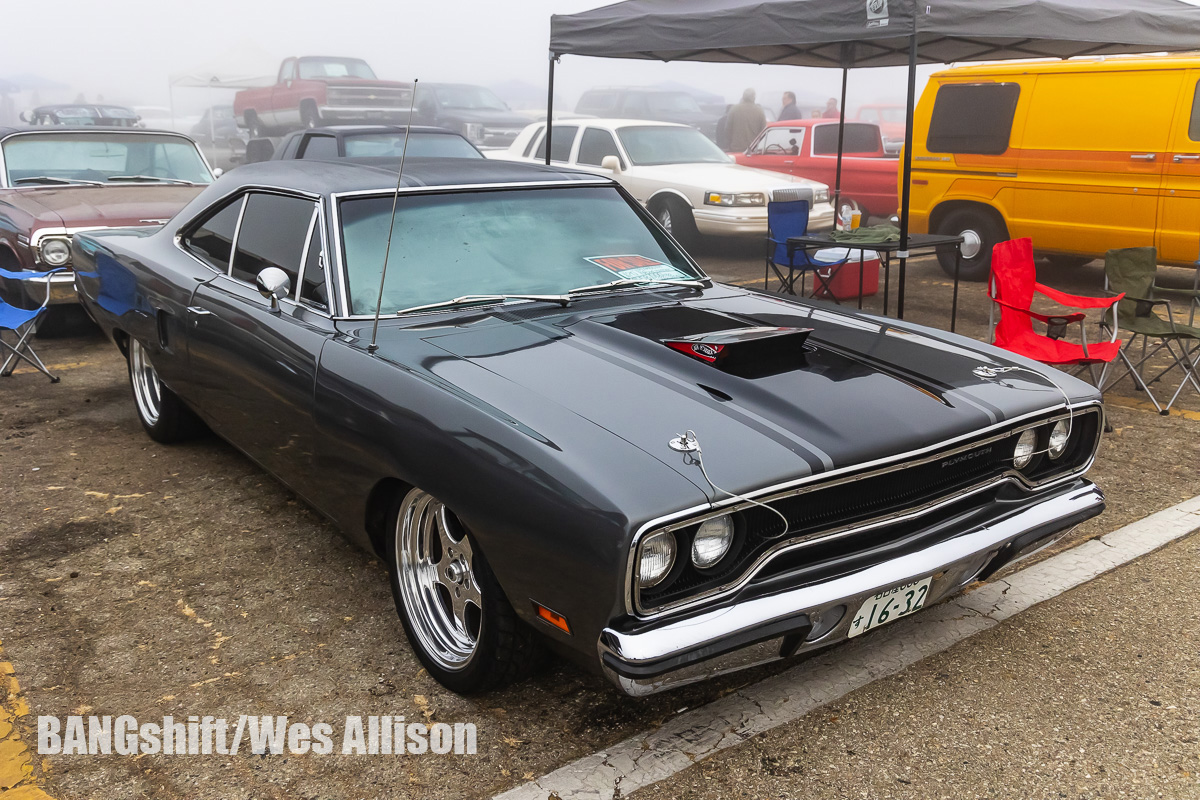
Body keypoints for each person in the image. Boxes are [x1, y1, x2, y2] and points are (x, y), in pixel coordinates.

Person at [726, 88, 767, 152]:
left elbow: (728, 129)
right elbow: (763, 132)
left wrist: (730, 144)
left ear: (743, 97)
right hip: (753, 150)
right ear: (754, 97)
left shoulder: (734, 109)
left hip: (736, 148)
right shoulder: (759, 111)